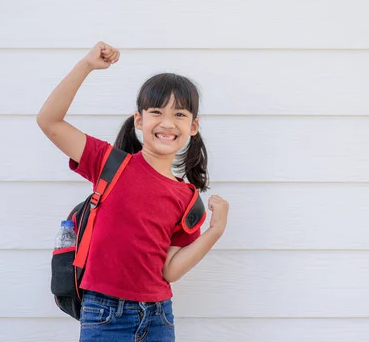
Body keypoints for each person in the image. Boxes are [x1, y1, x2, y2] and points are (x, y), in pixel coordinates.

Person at [37, 41, 230, 341]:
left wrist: (215, 231)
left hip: (159, 317)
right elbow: (49, 121)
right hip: (104, 315)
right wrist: (86, 65)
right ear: (139, 120)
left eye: (179, 114)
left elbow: (170, 271)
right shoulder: (109, 163)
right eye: (156, 112)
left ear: (194, 126)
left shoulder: (188, 199)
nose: (167, 123)